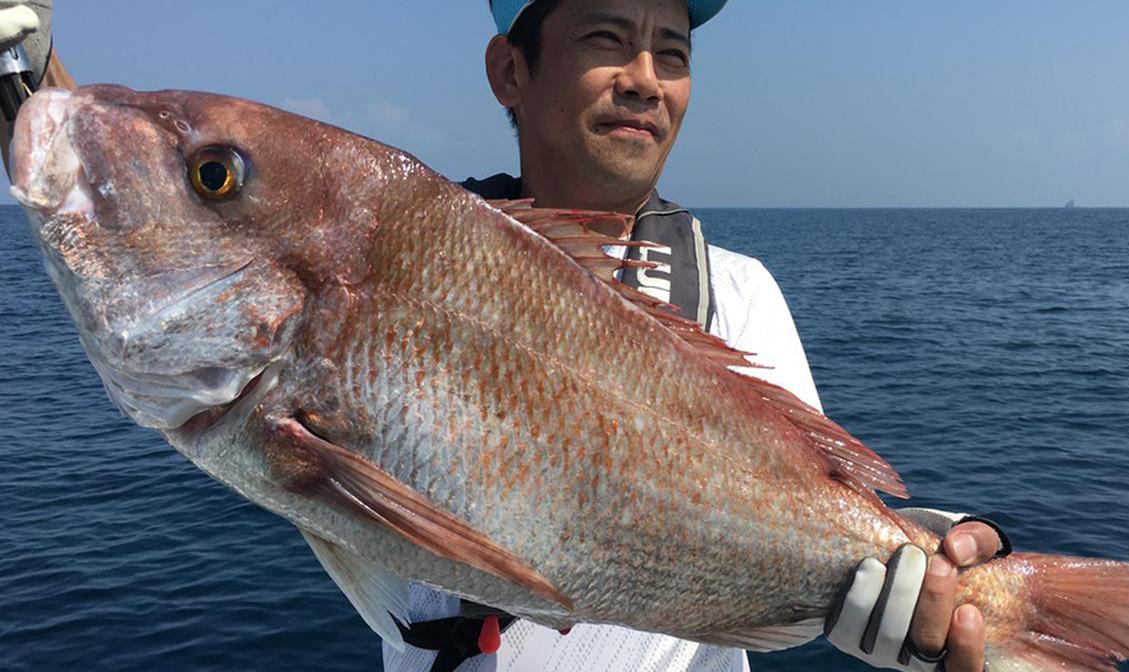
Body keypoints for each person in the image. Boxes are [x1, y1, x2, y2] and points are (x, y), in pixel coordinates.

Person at [0, 3, 1006, 671]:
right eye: (607, 38)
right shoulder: (396, 262)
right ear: (508, 70)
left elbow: (806, 514)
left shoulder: (736, 292)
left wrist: (926, 577)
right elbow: (132, 195)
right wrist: (26, 76)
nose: (646, 79)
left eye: (675, 53)